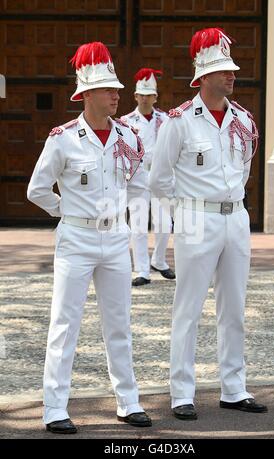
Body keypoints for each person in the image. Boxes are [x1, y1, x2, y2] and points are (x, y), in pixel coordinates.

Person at [27, 41, 152, 433]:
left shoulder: (129, 137)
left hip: (115, 240)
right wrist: (66, 212)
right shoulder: (63, 138)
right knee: (64, 324)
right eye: (110, 89)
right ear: (87, 95)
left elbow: (140, 184)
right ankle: (54, 408)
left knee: (119, 324)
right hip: (76, 242)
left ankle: (128, 401)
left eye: (117, 89)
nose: (118, 95)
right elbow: (37, 189)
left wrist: (119, 215)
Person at [149, 28, 267, 420]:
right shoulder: (180, 121)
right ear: (203, 77)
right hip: (196, 216)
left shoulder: (244, 120)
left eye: (232, 69)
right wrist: (182, 215)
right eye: (223, 70)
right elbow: (158, 179)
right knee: (189, 307)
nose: (232, 75)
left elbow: (245, 168)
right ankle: (181, 392)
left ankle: (234, 388)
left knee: (233, 307)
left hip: (235, 216)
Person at [121, 68, 175, 286]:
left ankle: (159, 261)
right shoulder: (125, 121)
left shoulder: (166, 119)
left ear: (155, 96)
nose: (145, 99)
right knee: (139, 225)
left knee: (164, 224)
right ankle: (141, 270)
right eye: (141, 95)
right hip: (137, 177)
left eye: (149, 94)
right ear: (135, 96)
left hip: (161, 177)